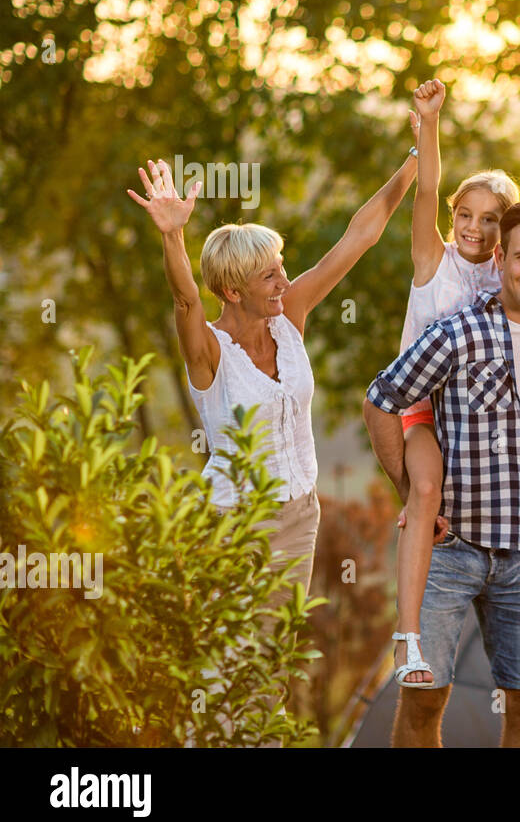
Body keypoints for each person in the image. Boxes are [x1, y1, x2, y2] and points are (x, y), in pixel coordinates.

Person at [127, 124, 421, 607]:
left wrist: (417, 155)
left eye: (282, 266)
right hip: (235, 521)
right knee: (234, 660)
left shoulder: (289, 319)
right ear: (232, 291)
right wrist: (174, 234)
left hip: (301, 516)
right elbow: (184, 301)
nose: (285, 281)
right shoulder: (209, 352)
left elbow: (358, 237)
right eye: (270, 275)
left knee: (276, 659)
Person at [388, 79, 520, 690]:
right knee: (426, 492)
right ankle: (409, 635)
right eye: (465, 215)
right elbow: (427, 186)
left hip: (478, 434)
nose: (475, 229)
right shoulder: (435, 260)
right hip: (420, 406)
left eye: (490, 220)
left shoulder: (505, 273)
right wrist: (429, 123)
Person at [363, 198, 520, 748]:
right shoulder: (457, 333)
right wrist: (412, 493)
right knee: (422, 703)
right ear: (501, 256)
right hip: (449, 551)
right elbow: (381, 399)